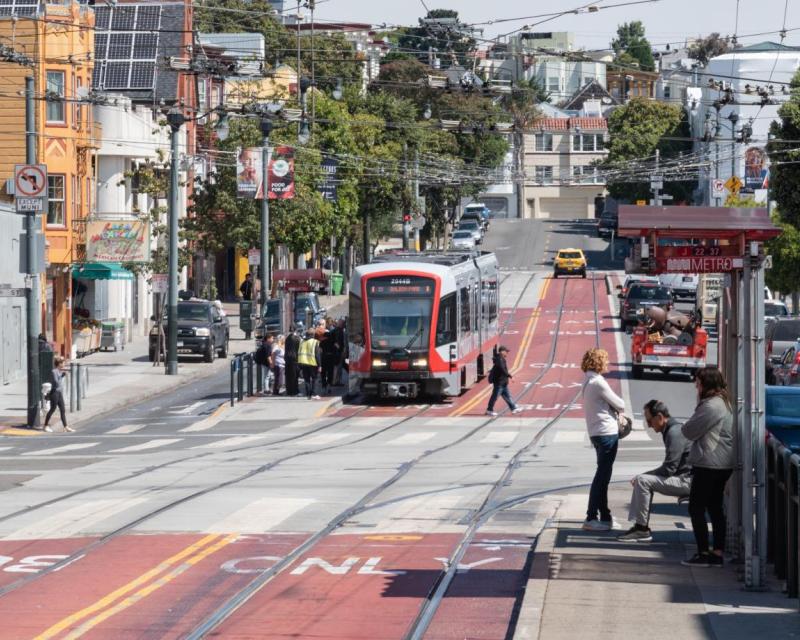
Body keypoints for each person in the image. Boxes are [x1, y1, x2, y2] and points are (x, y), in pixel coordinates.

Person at [681, 367, 735, 567]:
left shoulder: (712, 406)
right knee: (714, 508)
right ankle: (717, 552)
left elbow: (689, 431)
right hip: (722, 463)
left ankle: (703, 552)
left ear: (706, 384)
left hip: (709, 463)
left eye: (698, 382)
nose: (696, 386)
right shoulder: (724, 402)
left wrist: (692, 416)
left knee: (696, 507)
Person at [618, 399, 691, 542]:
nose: (649, 426)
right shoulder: (671, 429)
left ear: (660, 417)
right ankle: (640, 525)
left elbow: (669, 468)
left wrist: (645, 475)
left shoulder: (674, 432)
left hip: (687, 481)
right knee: (642, 480)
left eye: (650, 421)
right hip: (685, 477)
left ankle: (641, 528)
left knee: (642, 480)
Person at [581, 347, 626, 531]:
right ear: (598, 362)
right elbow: (620, 404)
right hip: (606, 433)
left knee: (604, 476)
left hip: (596, 432)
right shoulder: (599, 382)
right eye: (605, 360)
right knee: (602, 477)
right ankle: (591, 517)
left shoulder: (587, 380)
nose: (607, 363)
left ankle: (605, 516)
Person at [485, 346, 523, 416]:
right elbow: (502, 369)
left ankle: (513, 408)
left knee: (508, 396)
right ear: (502, 351)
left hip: (503, 382)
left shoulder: (501, 359)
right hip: (499, 382)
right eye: (506, 351)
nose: (507, 353)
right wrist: (510, 376)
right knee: (495, 397)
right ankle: (489, 410)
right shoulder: (499, 359)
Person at [44, 355, 73, 433]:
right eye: (63, 363)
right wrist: (61, 374)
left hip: (59, 392)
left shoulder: (59, 371)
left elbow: (59, 380)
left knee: (63, 409)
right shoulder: (54, 371)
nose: (63, 365)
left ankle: (65, 427)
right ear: (59, 364)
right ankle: (46, 425)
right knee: (52, 409)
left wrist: (63, 374)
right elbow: (56, 382)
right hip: (54, 393)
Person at [298, 328, 322, 400]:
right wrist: (320, 365)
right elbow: (317, 355)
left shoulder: (302, 342)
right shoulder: (315, 342)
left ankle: (308, 394)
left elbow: (299, 352)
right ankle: (314, 394)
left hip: (303, 363)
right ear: (313, 335)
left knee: (307, 379)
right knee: (315, 378)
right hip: (312, 363)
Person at [284, 325, 302, 396]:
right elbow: (299, 349)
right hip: (294, 359)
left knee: (288, 375)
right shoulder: (297, 339)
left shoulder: (287, 338)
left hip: (287, 358)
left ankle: (289, 391)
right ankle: (295, 391)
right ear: (296, 330)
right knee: (295, 376)